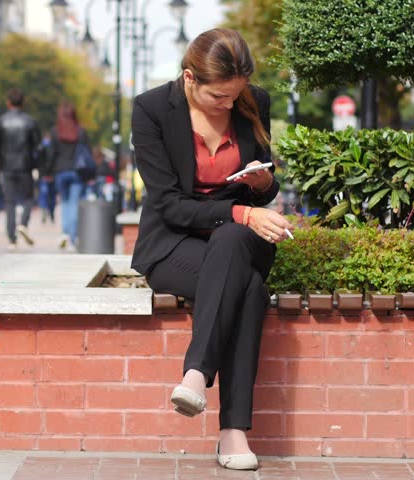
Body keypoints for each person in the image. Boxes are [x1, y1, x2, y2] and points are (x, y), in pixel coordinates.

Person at [131, 28, 292, 471]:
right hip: (173, 244)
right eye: (219, 96)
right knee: (250, 291)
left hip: (241, 239)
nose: (229, 105)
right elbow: (167, 204)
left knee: (234, 239)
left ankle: (196, 375)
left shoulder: (253, 101)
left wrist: (263, 184)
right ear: (189, 78)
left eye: (236, 95)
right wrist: (242, 213)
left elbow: (262, 192)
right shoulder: (151, 110)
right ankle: (233, 433)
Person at [0, 87, 41, 250]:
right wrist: (37, 165)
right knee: (28, 198)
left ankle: (11, 239)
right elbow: (37, 147)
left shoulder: (0, 122)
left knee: (9, 202)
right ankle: (23, 224)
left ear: (8, 102)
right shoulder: (30, 122)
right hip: (25, 166)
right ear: (23, 103)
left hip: (6, 166)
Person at [44, 101, 89, 250]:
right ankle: (72, 239)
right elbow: (87, 153)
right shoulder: (80, 131)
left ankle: (64, 232)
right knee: (74, 204)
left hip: (60, 172)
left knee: (64, 203)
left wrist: (48, 172)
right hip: (77, 172)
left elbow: (50, 154)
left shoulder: (55, 131)